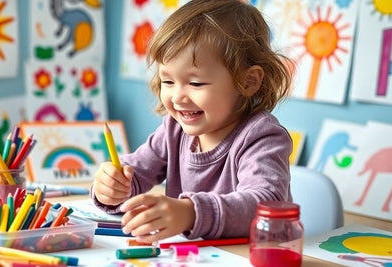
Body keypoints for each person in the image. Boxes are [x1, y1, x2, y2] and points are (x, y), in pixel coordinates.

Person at [92, 0, 293, 243]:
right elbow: (135, 172)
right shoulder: (173, 130)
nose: (177, 97)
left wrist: (190, 213)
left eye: (196, 83)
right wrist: (112, 187)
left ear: (248, 82)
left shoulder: (261, 136)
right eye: (167, 81)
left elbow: (266, 204)